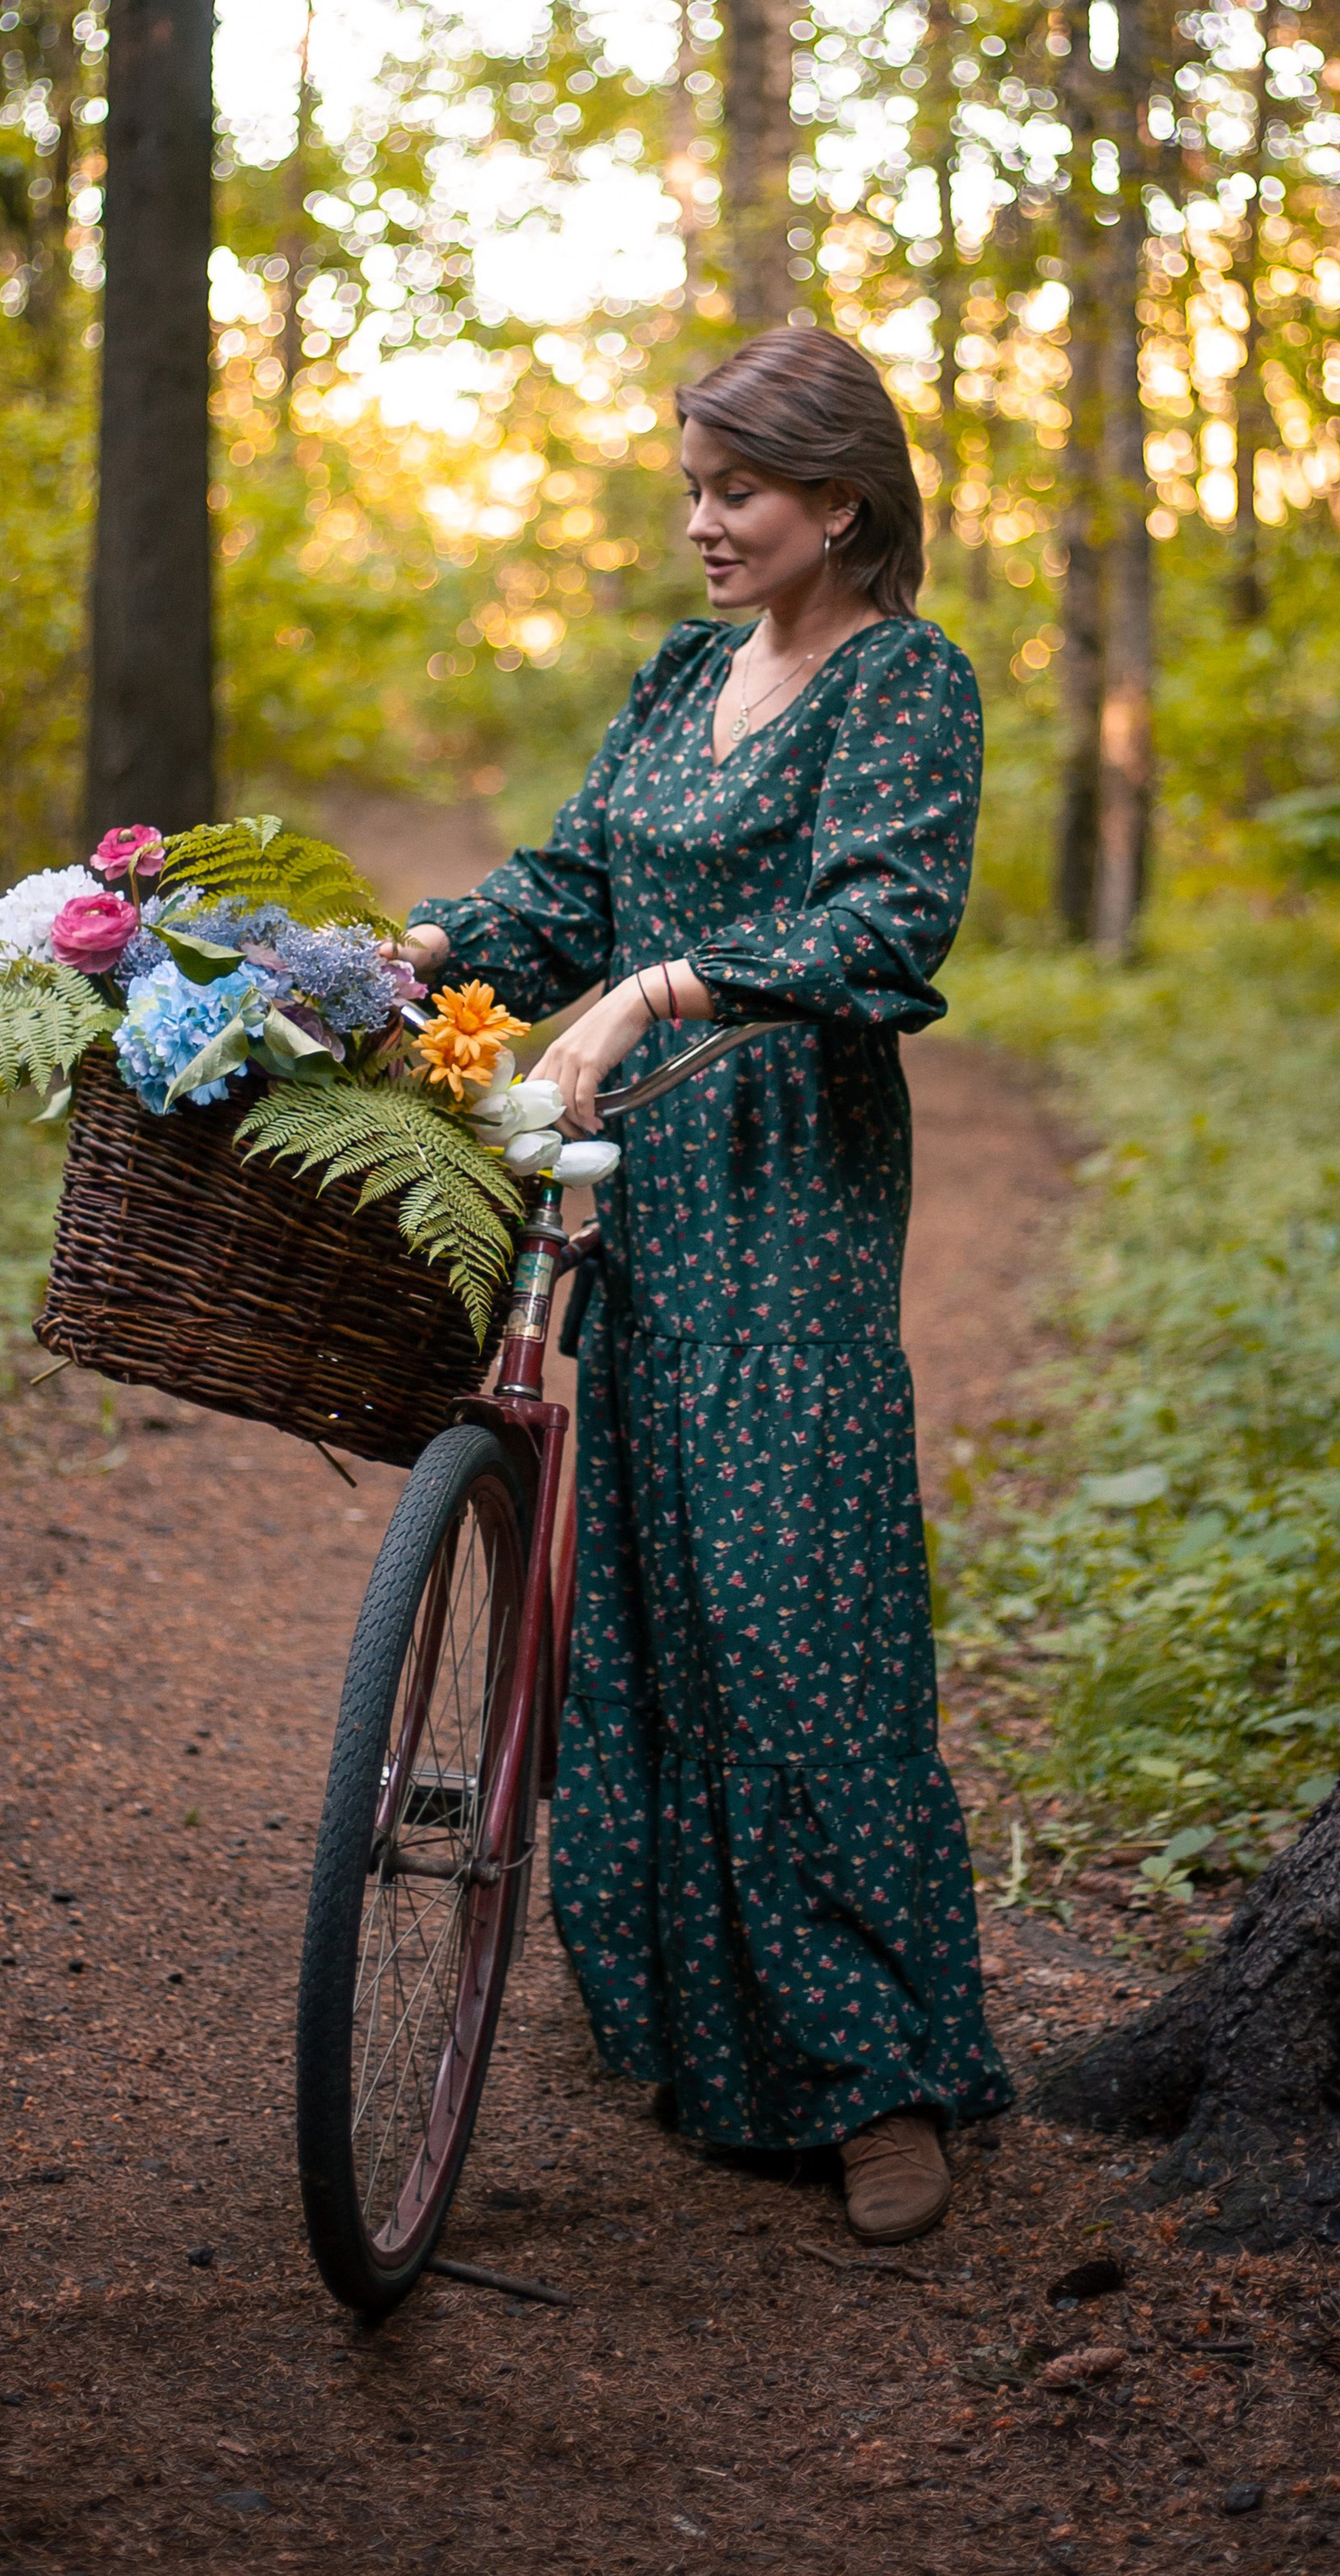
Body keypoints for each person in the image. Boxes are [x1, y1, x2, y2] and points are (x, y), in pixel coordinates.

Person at [403, 327, 1012, 2245]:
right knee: (650, 1586)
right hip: (634, 1190)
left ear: (842, 501)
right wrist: (423, 946)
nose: (700, 526)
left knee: (790, 1599)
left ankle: (875, 2078)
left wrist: (664, 989)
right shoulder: (681, 677)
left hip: (791, 1183)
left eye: (735, 491)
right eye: (690, 489)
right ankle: (694, 2022)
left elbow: (886, 921)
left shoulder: (903, 683)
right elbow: (577, 881)